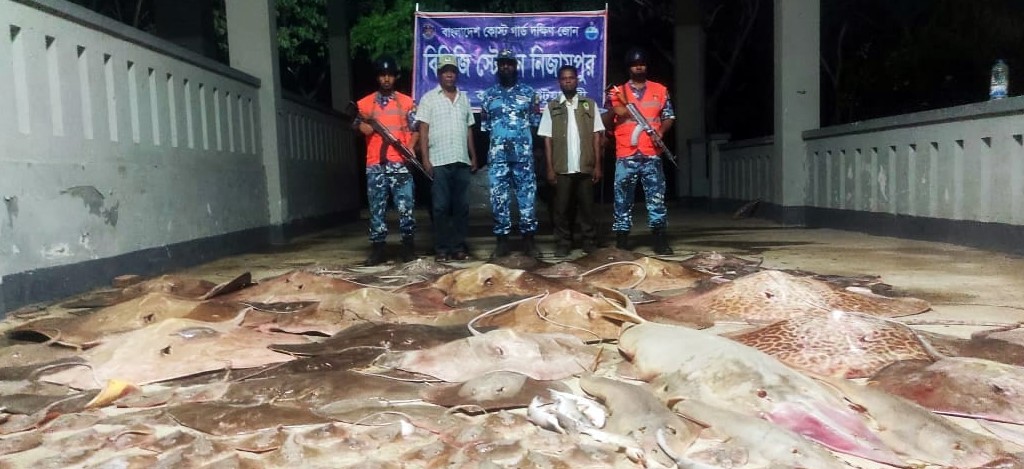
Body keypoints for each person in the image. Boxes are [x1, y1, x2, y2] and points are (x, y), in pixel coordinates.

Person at [606, 47, 675, 255]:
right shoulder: (618, 92)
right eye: (635, 64)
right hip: (626, 152)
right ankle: (622, 239)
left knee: (656, 197)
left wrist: (661, 132)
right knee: (622, 198)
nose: (639, 67)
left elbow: (669, 116)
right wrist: (620, 108)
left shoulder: (660, 90)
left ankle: (660, 238)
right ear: (629, 68)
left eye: (642, 63)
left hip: (651, 151)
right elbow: (608, 119)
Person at [354, 56, 419, 265]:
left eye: (390, 75)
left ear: (396, 77)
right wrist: (361, 127)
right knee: (376, 208)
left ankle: (408, 246)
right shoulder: (365, 104)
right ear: (377, 77)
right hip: (375, 163)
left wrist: (410, 147)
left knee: (405, 206)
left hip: (400, 162)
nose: (386, 79)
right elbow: (356, 123)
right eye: (383, 75)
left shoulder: (406, 102)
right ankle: (378, 248)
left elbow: (416, 129)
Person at [479, 48, 542, 258]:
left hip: (523, 156)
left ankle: (529, 241)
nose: (505, 66)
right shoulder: (488, 96)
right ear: (498, 67)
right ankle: (502, 242)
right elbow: (486, 128)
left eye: (509, 63)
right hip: (498, 158)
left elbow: (535, 125)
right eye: (502, 63)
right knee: (498, 198)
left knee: (527, 198)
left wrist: (535, 152)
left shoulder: (529, 94)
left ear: (516, 66)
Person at [417, 55, 479, 262]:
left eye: (452, 70)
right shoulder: (429, 99)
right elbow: (423, 131)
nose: (449, 74)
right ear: (439, 74)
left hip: (461, 160)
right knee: (441, 207)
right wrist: (425, 159)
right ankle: (442, 249)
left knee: (461, 207)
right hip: (439, 161)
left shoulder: (464, 99)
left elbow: (469, 129)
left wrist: (473, 155)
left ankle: (459, 247)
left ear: (456, 74)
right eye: (445, 71)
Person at [538, 65, 604, 257]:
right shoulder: (552, 107)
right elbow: (547, 139)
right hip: (562, 166)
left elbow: (596, 136)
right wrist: (550, 168)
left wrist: (598, 166)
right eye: (564, 78)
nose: (567, 81)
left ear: (577, 80)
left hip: (585, 165)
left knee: (587, 208)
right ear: (559, 82)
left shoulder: (589, 105)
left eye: (571, 78)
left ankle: (589, 241)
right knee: (561, 209)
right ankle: (563, 242)